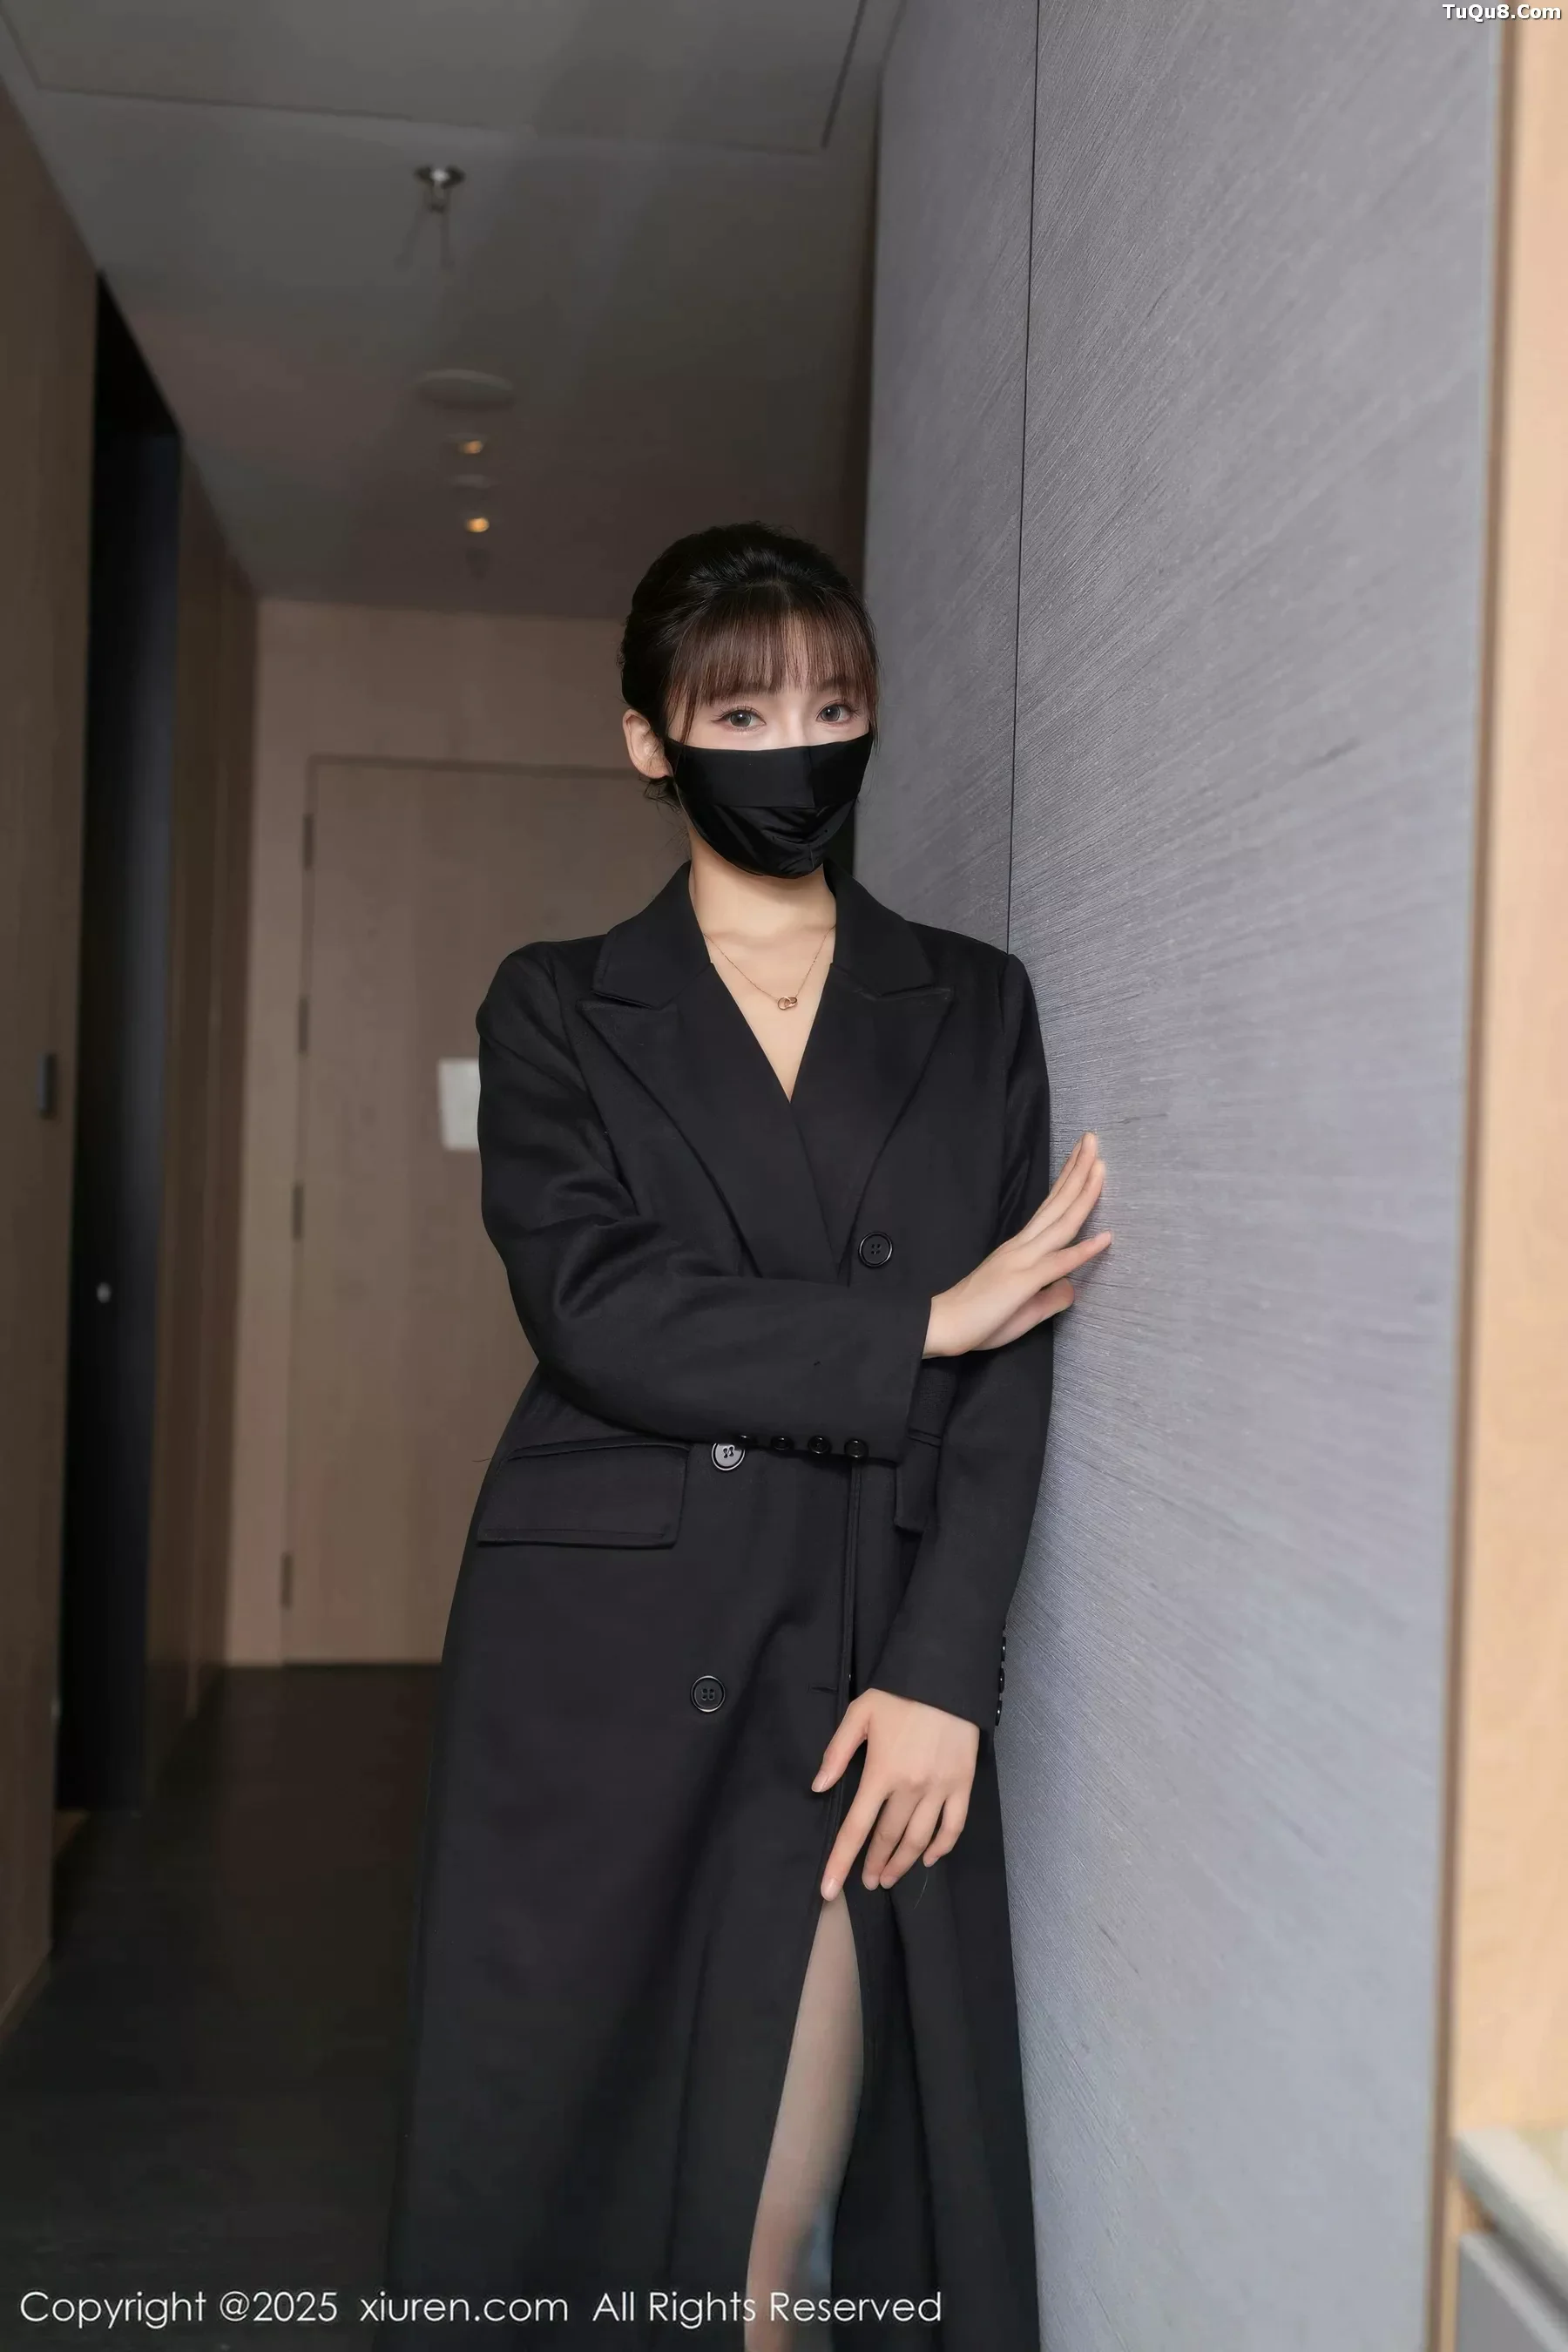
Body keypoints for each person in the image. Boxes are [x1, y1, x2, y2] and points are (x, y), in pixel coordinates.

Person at [377, 522, 1112, 2350]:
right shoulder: (556, 1004)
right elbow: (599, 1310)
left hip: (858, 1650)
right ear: (652, 740)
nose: (801, 747)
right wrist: (919, 1322)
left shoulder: (975, 1002)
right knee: (561, 2175)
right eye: (746, 714)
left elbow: (1016, 1367)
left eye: (835, 706)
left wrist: (947, 1672)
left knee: (760, 2238)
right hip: (603, 1660)